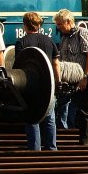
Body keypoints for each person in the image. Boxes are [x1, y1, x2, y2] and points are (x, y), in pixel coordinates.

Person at [14, 12, 63, 151]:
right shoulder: (49, 41)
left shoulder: (21, 42)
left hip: (30, 86)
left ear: (25, 25)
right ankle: (52, 149)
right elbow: (56, 64)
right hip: (48, 85)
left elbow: (19, 66)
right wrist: (57, 82)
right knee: (50, 118)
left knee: (32, 118)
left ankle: (35, 151)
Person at [54, 8, 88, 146]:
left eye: (60, 24)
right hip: (68, 79)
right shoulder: (65, 37)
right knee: (62, 108)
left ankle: (85, 142)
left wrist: (85, 77)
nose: (58, 27)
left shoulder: (83, 33)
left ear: (69, 21)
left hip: (82, 78)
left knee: (84, 109)